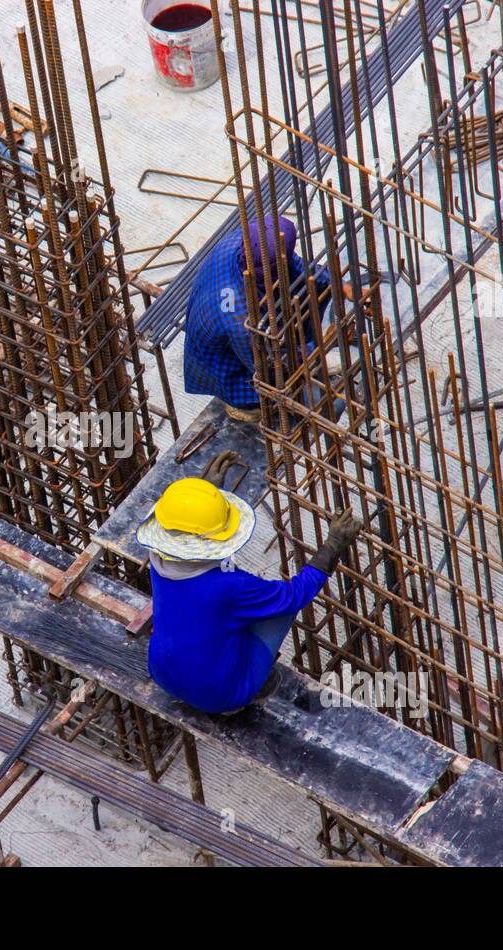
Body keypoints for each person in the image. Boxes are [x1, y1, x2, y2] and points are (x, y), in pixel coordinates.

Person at [135, 451, 364, 715]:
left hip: (162, 672)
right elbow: (293, 596)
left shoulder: (158, 558)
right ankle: (250, 689)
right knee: (280, 608)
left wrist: (207, 496)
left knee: (217, 614)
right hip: (219, 695)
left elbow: (187, 527)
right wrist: (332, 546)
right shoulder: (231, 586)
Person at [182, 216, 336, 423]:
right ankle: (246, 407)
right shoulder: (238, 316)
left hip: (235, 328)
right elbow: (269, 363)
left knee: (308, 289)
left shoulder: (244, 242)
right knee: (280, 384)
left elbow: (291, 263)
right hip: (228, 368)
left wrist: (338, 284)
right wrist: (319, 349)